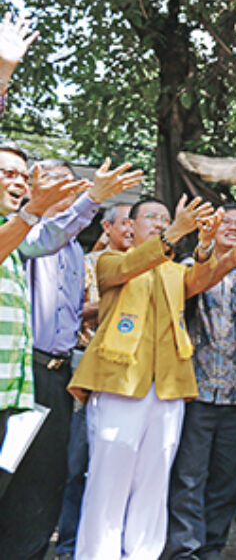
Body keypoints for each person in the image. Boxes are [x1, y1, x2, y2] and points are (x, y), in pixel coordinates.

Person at [0, 158, 141, 559]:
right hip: (26, 368)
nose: (67, 190)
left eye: (71, 184)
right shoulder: (26, 232)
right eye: (53, 183)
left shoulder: (74, 249)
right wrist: (93, 197)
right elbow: (46, 233)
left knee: (42, 480)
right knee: (11, 477)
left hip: (53, 374)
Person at [67, 194, 219, 558]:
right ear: (129, 227)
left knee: (154, 482)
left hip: (166, 388)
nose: (159, 221)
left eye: (165, 218)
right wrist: (176, 232)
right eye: (150, 216)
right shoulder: (111, 260)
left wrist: (206, 242)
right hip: (119, 383)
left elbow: (202, 277)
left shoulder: (174, 271)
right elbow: (130, 266)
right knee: (108, 481)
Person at [164, 205, 236, 559]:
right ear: (210, 229)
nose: (233, 228)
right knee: (188, 477)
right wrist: (215, 254)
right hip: (196, 390)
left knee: (227, 479)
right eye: (225, 222)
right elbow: (189, 289)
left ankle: (212, 546)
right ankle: (184, 548)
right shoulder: (190, 266)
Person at [0, 146, 91, 504]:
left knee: (27, 487)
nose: (19, 182)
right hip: (29, 375)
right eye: (9, 173)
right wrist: (34, 210)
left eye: (24, 176)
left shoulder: (21, 234)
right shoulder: (20, 231)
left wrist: (93, 196)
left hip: (14, 389)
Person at [54, 202, 133, 560]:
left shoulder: (156, 266)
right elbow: (70, 309)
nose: (133, 229)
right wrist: (118, 302)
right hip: (86, 362)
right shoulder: (88, 263)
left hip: (131, 374)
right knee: (78, 462)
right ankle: (69, 544)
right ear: (108, 228)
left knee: (121, 465)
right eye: (125, 222)